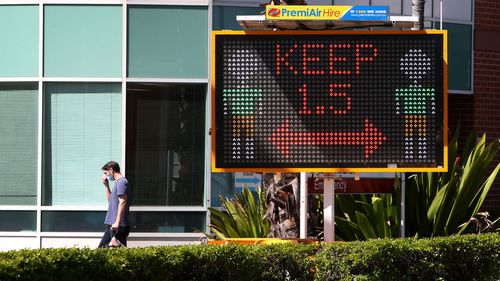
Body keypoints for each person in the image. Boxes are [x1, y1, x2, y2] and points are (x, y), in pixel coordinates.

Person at [98, 161, 131, 248]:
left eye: (106, 173)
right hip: (112, 224)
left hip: (118, 225)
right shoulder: (117, 183)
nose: (105, 176)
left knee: (116, 253)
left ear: (111, 170)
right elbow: (111, 201)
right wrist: (106, 186)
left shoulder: (122, 182)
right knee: (102, 249)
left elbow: (122, 202)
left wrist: (117, 222)